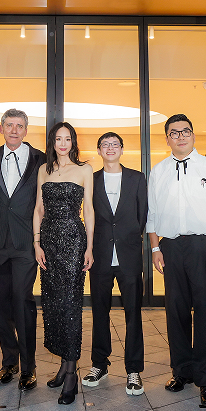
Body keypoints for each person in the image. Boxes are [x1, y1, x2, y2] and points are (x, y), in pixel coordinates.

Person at [147, 114, 206, 408]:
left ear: (193, 135)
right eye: (174, 132)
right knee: (176, 311)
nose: (181, 136)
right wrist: (155, 249)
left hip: (205, 247)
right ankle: (182, 371)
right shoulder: (158, 171)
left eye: (185, 131)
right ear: (167, 139)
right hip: (171, 248)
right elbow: (152, 215)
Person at [33, 122, 94, 405]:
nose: (62, 143)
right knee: (54, 305)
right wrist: (36, 243)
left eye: (67, 139)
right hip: (48, 242)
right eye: (58, 139)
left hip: (73, 241)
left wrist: (89, 247)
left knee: (70, 306)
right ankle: (62, 364)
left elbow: (89, 210)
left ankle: (71, 374)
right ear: (52, 142)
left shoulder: (84, 170)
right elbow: (38, 209)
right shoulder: (43, 170)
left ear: (73, 142)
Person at [83, 132, 148, 396]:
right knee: (100, 312)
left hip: (129, 255)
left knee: (133, 313)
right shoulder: (91, 179)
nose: (110, 148)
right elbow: (88, 214)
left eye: (115, 144)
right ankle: (99, 364)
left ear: (122, 149)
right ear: (99, 150)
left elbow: (142, 215)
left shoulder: (137, 178)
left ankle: (134, 370)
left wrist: (127, 238)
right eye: (105, 145)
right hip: (99, 255)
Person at [0, 109, 45, 391]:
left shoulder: (40, 160)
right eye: (9, 125)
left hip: (25, 243)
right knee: (0, 304)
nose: (14, 130)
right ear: (1, 129)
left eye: (19, 126)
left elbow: (44, 203)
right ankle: (9, 362)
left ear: (26, 130)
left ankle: (29, 366)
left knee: (22, 301)